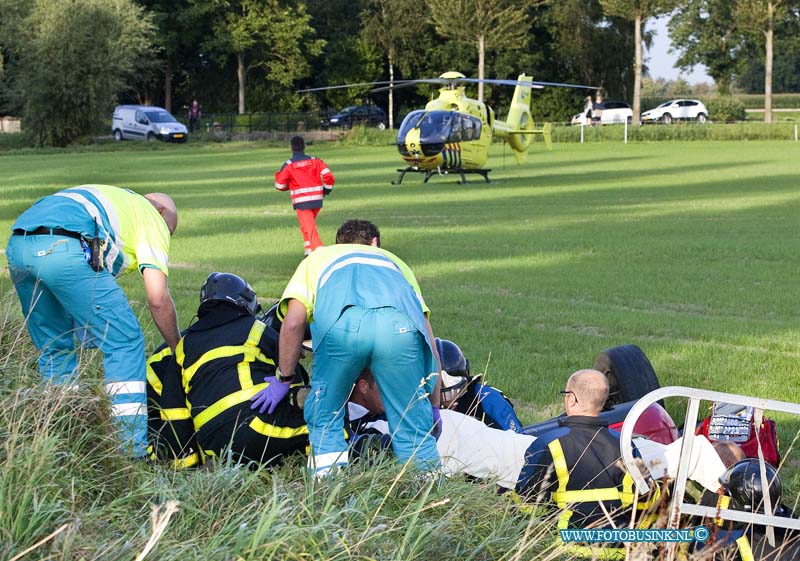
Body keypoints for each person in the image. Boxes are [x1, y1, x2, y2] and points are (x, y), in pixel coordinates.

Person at [250, 219, 441, 476]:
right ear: (375, 244)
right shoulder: (395, 262)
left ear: (337, 244)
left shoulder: (317, 259)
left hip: (343, 329)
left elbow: (293, 323)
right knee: (414, 428)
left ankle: (329, 495)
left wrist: (284, 378)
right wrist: (433, 404)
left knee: (326, 418)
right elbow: (428, 337)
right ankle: (432, 501)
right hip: (400, 330)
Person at [6, 184, 180, 458]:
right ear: (161, 211)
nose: (165, 239)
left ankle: (61, 443)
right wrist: (176, 347)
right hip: (65, 248)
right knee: (124, 340)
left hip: (18, 246)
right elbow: (157, 298)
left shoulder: (115, 199)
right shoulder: (152, 216)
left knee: (55, 346)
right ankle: (130, 450)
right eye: (170, 232)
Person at [146, 272, 309, 468]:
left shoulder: (183, 346)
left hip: (214, 443)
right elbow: (292, 375)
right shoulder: (255, 328)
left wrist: (184, 463)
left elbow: (175, 412)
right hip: (257, 424)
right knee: (328, 423)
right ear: (245, 303)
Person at [436, 337, 523, 432]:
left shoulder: (488, 399)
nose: (446, 403)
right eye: (439, 395)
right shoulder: (420, 405)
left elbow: (516, 440)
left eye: (450, 393)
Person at [274, 136, 335, 255]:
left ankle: (318, 252)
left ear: (292, 148)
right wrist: (326, 189)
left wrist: (288, 184)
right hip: (317, 200)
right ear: (304, 147)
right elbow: (329, 176)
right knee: (305, 225)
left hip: (301, 202)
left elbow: (280, 186)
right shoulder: (315, 161)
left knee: (310, 228)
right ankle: (308, 250)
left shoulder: (288, 165)